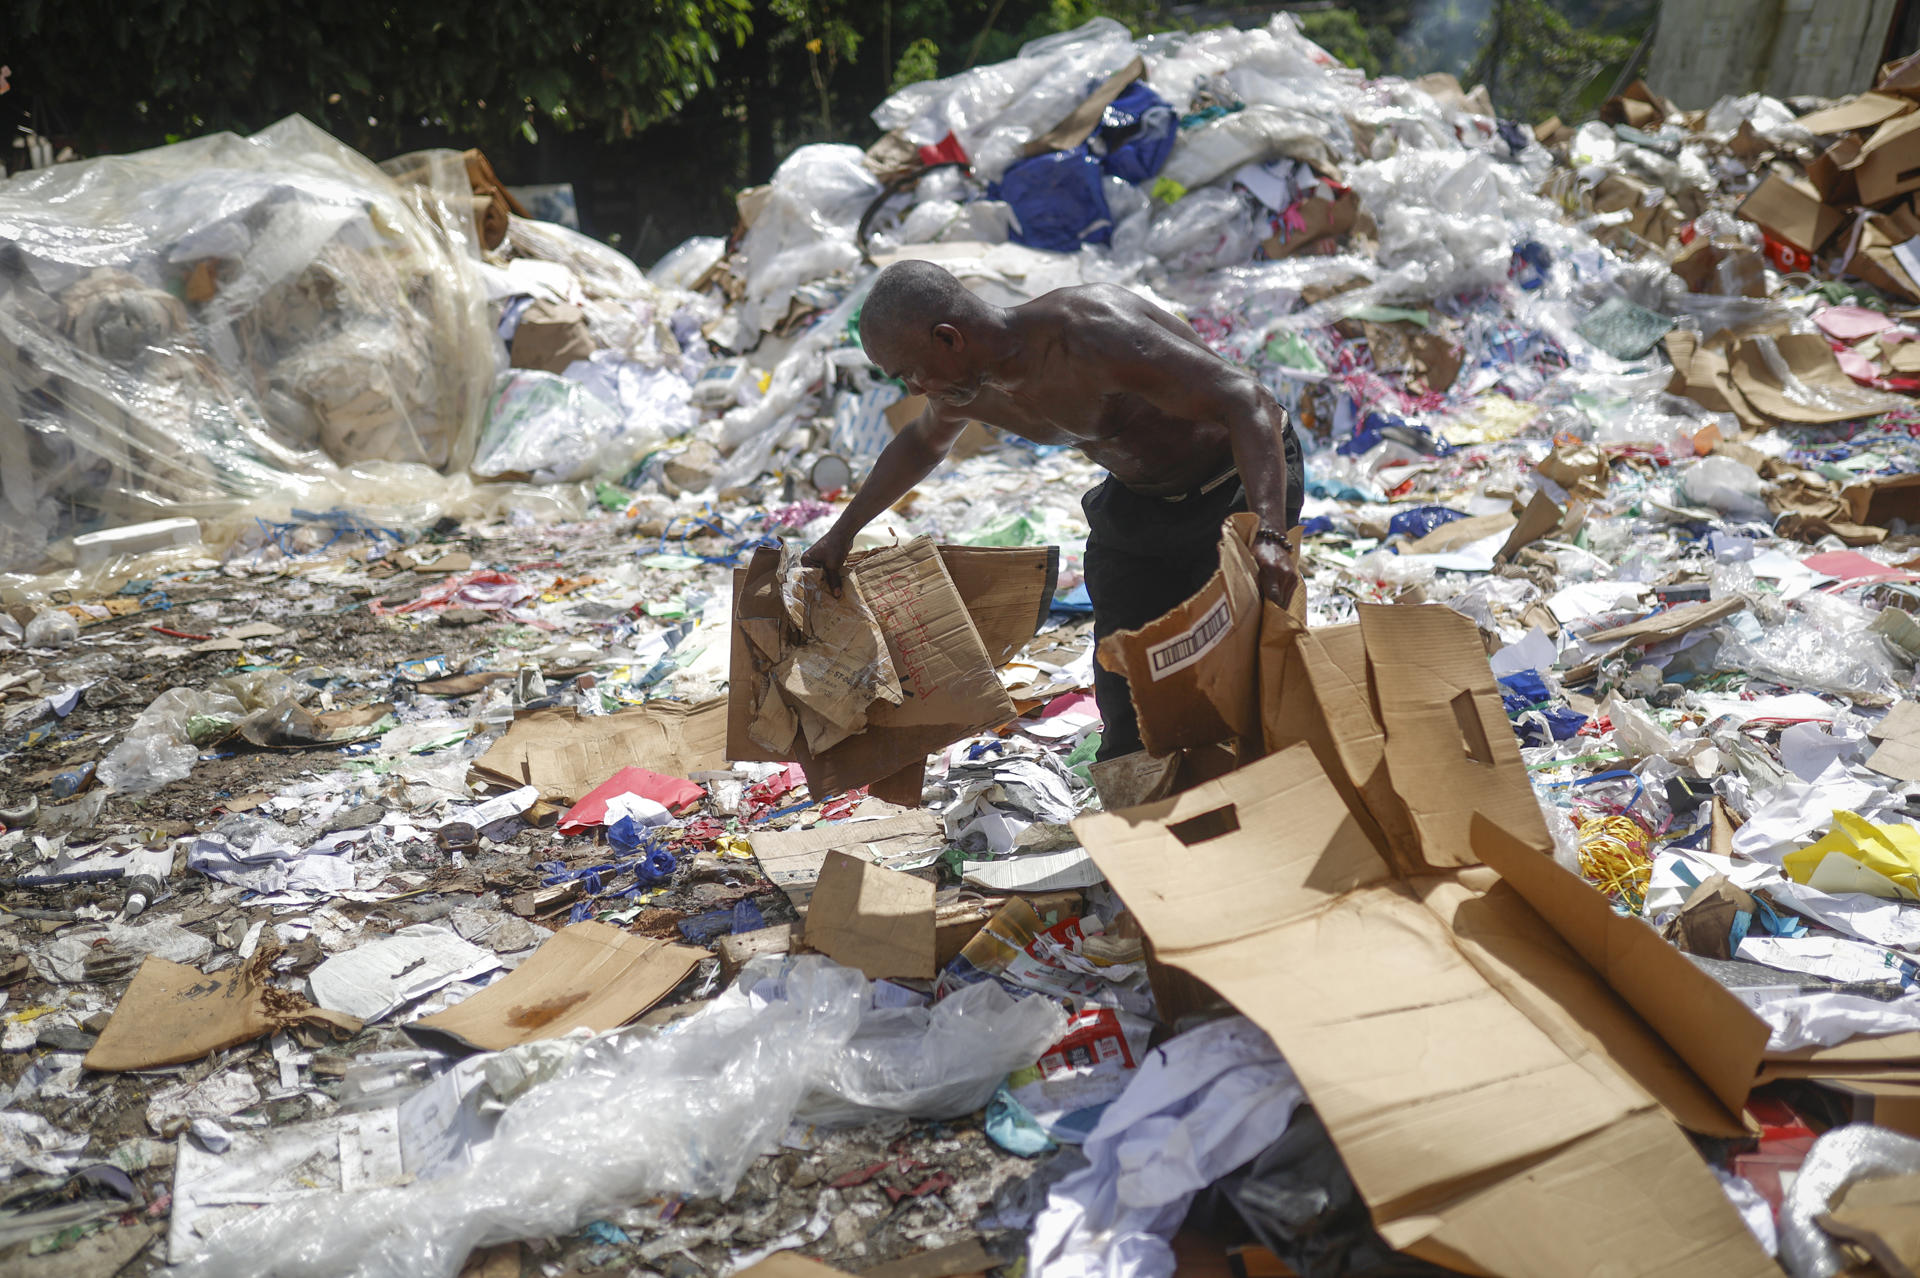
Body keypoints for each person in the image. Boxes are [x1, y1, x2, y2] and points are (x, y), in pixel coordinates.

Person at [803, 259, 1305, 763]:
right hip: (1143, 501)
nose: (914, 390)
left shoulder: (1086, 332)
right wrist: (842, 534)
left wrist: (1269, 533)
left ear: (949, 338)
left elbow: (1248, 401)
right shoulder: (967, 391)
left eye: (909, 372)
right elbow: (921, 444)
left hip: (1237, 483)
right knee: (1128, 687)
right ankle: (1140, 797)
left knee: (1235, 679)